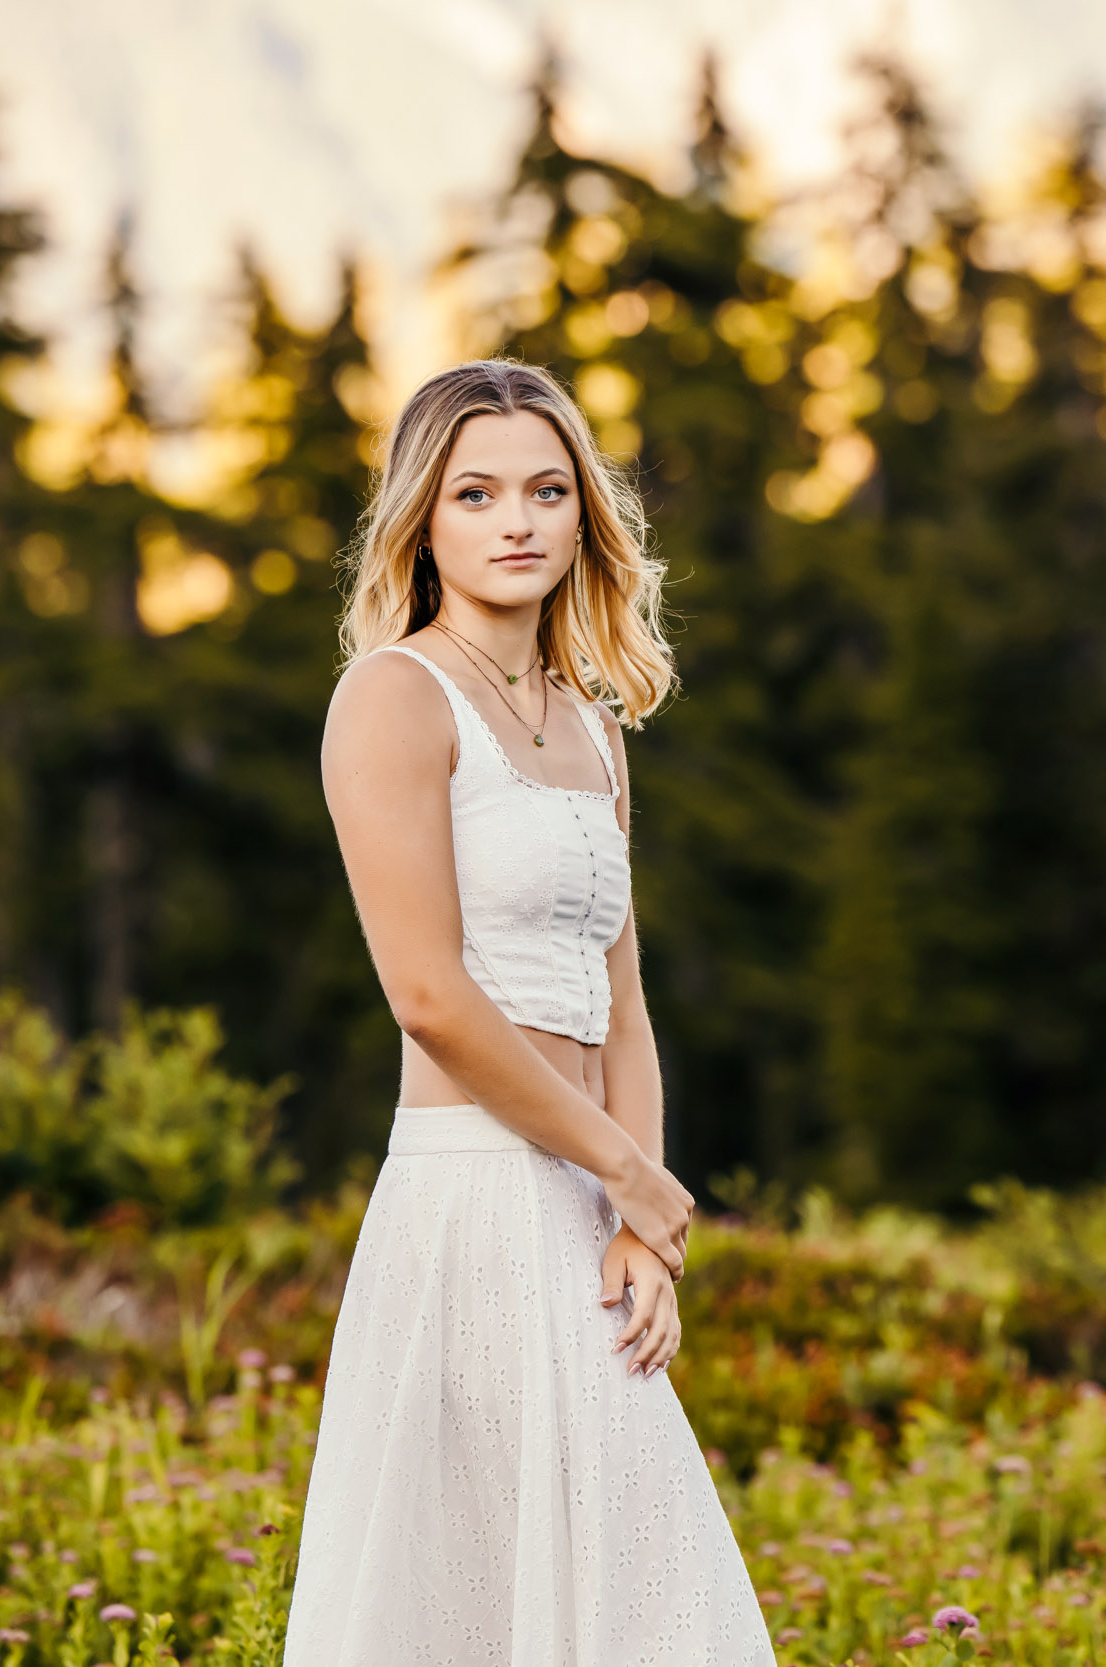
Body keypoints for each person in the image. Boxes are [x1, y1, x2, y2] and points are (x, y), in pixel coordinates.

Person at [281, 359, 777, 1665]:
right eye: (479, 492)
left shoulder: (592, 727)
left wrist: (638, 1224)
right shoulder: (393, 697)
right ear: (423, 520)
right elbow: (430, 997)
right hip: (471, 1200)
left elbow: (623, 1000)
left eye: (548, 490)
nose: (518, 521)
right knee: (473, 1600)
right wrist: (630, 1171)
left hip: (587, 1211)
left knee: (638, 1590)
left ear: (584, 516)